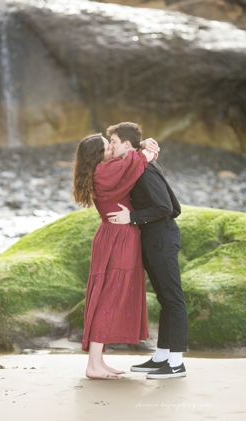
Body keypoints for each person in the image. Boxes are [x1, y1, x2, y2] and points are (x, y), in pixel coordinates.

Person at [104, 122, 189, 379]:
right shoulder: (136, 164)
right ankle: (162, 356)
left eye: (114, 143)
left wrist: (132, 217)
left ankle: (176, 363)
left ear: (127, 145)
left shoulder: (143, 169)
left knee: (173, 298)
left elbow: (165, 207)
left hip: (162, 237)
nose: (111, 147)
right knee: (165, 300)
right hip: (152, 238)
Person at [71, 133, 157, 380]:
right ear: (99, 155)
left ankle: (98, 362)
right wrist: (145, 150)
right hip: (117, 238)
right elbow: (133, 162)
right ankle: (93, 366)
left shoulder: (101, 170)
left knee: (107, 296)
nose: (113, 149)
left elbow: (130, 161)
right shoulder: (103, 171)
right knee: (108, 299)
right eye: (109, 147)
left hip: (115, 236)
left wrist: (142, 148)